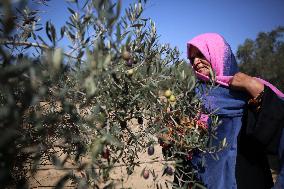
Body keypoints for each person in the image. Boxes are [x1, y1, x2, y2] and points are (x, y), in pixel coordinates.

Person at [184, 33, 284, 189]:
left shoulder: (248, 90)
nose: (195, 61)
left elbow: (277, 127)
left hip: (247, 179)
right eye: (192, 58)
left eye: (200, 54)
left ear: (218, 54)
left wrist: (252, 86)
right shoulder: (191, 98)